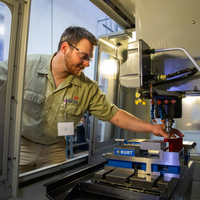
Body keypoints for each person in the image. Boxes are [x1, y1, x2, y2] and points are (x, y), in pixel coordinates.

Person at [0, 26, 184, 173]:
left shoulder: (87, 87)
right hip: (20, 145)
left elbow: (115, 115)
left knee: (49, 190)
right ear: (65, 48)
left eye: (90, 59)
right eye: (84, 57)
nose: (87, 64)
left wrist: (152, 127)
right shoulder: (23, 66)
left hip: (54, 149)